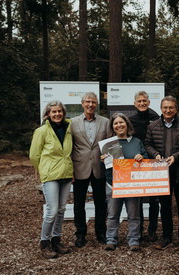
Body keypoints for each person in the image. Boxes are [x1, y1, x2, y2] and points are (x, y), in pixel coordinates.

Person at [145, 95, 179, 252]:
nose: (168, 110)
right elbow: (147, 144)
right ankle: (167, 237)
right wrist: (155, 155)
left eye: (171, 107)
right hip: (161, 175)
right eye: (165, 107)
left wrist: (176, 157)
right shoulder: (152, 126)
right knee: (165, 207)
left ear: (176, 109)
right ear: (161, 109)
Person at [29, 100, 73, 259]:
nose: (57, 114)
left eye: (59, 111)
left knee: (61, 210)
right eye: (53, 112)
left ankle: (56, 240)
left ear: (63, 113)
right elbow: (34, 155)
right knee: (52, 210)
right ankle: (44, 242)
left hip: (66, 174)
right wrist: (43, 170)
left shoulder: (68, 128)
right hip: (51, 175)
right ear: (47, 114)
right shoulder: (41, 131)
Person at [101, 113, 148, 251]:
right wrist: (103, 159)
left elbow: (145, 158)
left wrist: (141, 157)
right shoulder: (109, 143)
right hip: (113, 184)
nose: (119, 125)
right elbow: (107, 165)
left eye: (121, 122)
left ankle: (134, 240)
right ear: (112, 127)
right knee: (112, 215)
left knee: (134, 215)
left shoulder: (136, 141)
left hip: (132, 185)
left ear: (127, 124)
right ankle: (111, 240)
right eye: (115, 123)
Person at [71, 92, 112, 247]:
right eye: (87, 102)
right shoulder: (73, 123)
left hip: (99, 168)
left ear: (97, 104)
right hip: (79, 168)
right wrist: (70, 170)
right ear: (82, 103)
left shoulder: (106, 122)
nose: (90, 105)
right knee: (78, 204)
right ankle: (80, 234)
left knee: (101, 204)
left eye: (93, 102)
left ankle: (101, 233)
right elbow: (70, 147)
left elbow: (109, 145)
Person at [129, 91, 160, 242]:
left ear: (148, 102)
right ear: (135, 104)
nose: (142, 103)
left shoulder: (156, 118)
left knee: (154, 199)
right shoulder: (131, 120)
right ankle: (139, 229)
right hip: (137, 163)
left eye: (144, 101)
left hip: (153, 162)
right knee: (138, 199)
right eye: (139, 101)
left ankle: (152, 229)